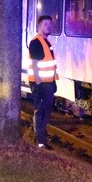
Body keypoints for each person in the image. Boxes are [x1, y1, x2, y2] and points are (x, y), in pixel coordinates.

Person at [28, 15, 58, 149]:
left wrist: (52, 82)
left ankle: (41, 140)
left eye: (50, 24)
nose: (48, 26)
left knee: (45, 112)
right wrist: (39, 84)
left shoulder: (47, 42)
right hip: (40, 84)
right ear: (39, 26)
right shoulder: (36, 42)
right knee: (40, 112)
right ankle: (40, 143)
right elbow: (35, 65)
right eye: (45, 24)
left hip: (48, 83)